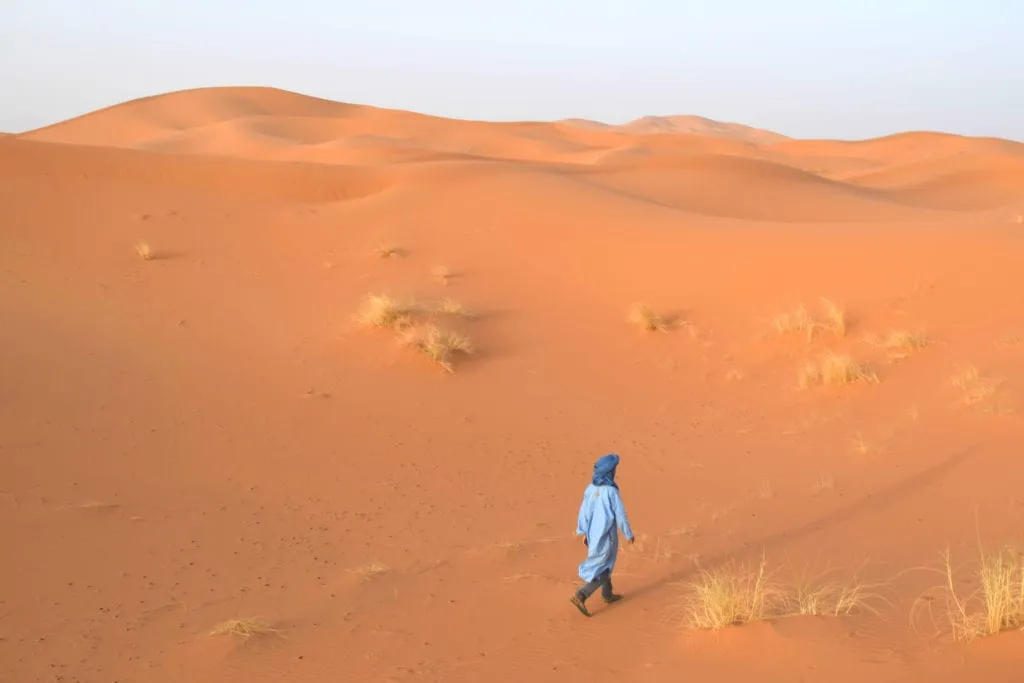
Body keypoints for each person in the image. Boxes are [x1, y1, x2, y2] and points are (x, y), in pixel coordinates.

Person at [570, 453, 635, 616]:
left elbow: (584, 512)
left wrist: (584, 532)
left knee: (605, 563)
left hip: (592, 534)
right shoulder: (611, 491)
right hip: (607, 535)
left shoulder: (590, 489)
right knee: (604, 567)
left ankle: (607, 595)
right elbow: (620, 514)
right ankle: (581, 594)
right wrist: (628, 533)